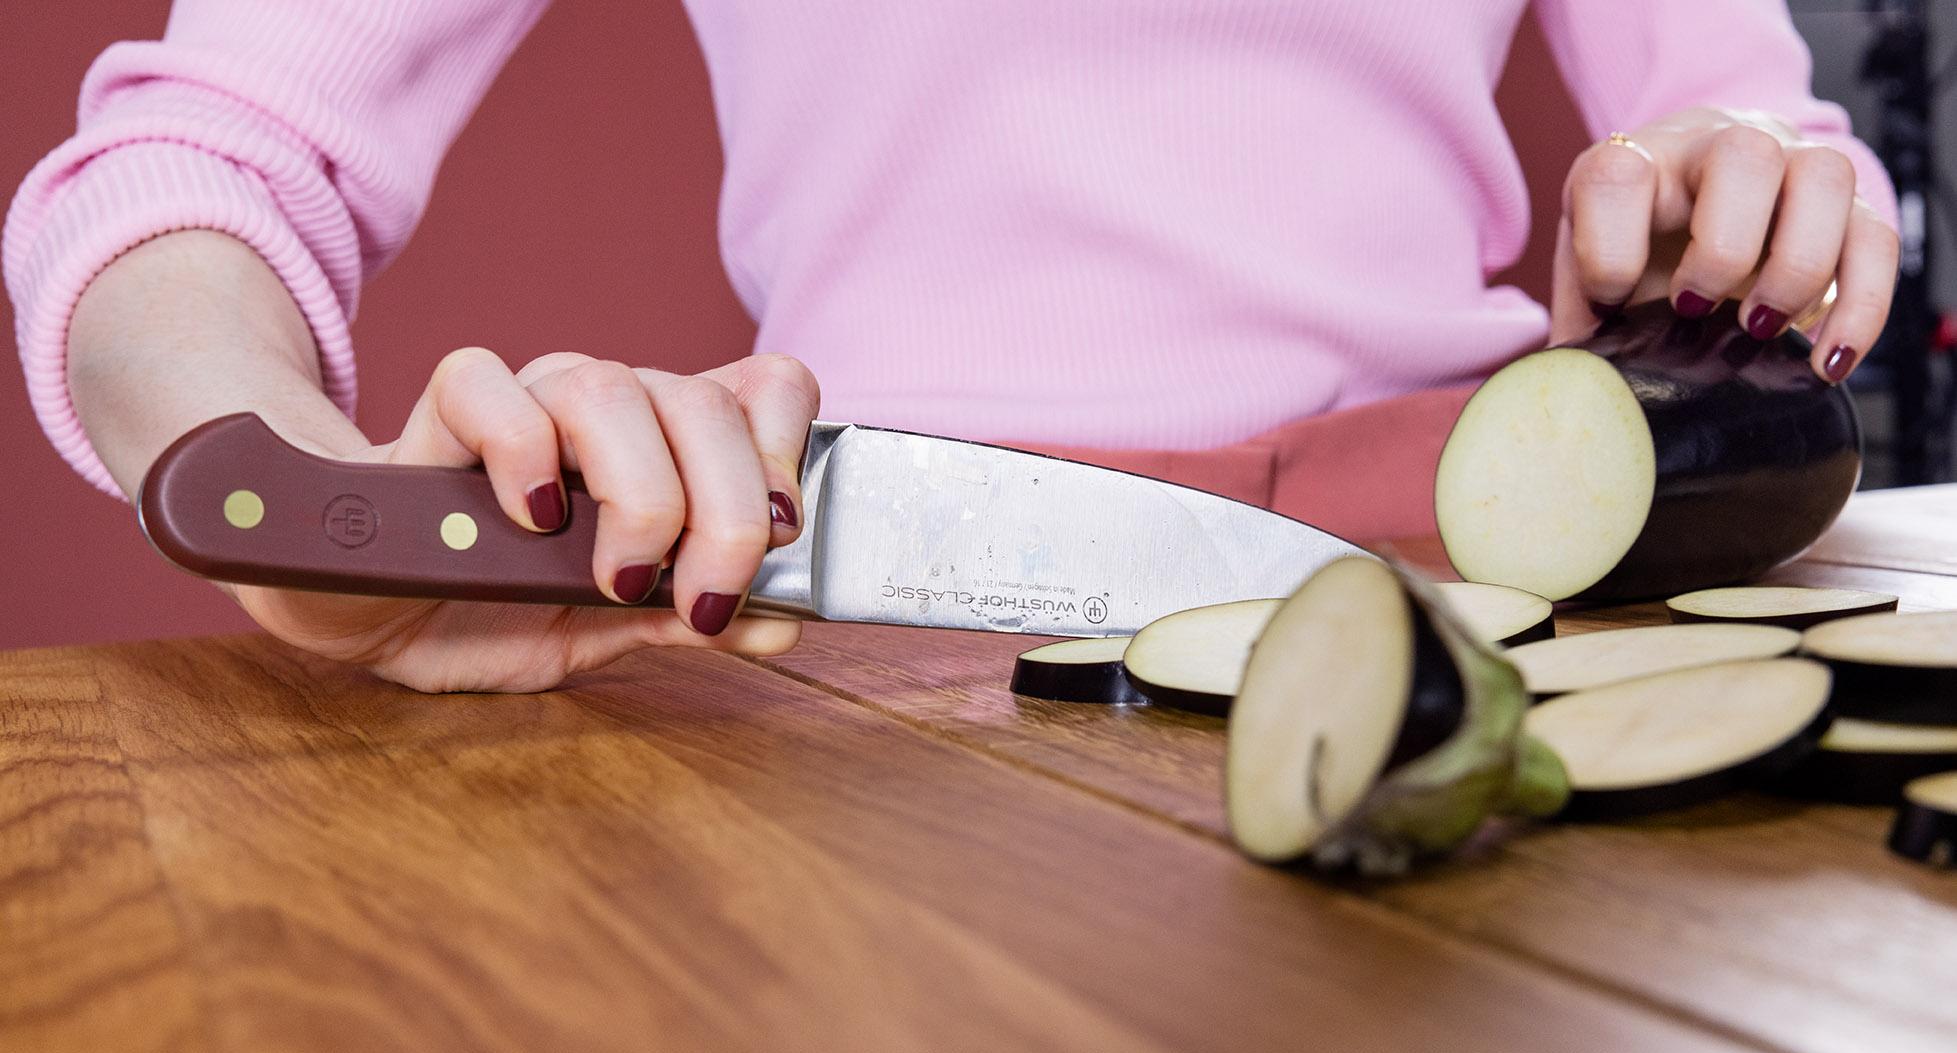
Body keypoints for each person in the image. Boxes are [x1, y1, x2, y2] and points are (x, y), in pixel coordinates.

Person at [6, 1, 1899, 692]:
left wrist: (1754, 203)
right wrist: (295, 495)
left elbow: (1778, 143)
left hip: (1480, 596)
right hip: (877, 651)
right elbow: (190, 164)